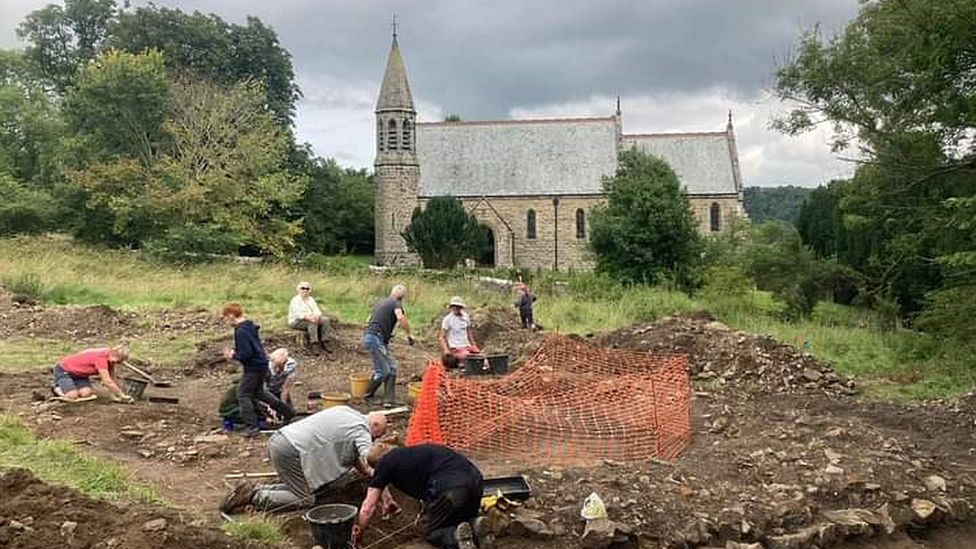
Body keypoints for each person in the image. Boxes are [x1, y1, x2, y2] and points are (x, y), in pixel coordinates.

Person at [220, 406, 388, 513]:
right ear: (374, 425)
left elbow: (354, 456)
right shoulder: (361, 431)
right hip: (291, 451)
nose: (375, 440)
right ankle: (256, 496)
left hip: (281, 440)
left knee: (298, 486)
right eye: (378, 436)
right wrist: (379, 476)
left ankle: (255, 488)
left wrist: (365, 472)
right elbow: (367, 456)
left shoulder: (347, 411)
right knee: (306, 499)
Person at [353, 443, 485, 549]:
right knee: (461, 520)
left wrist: (359, 534)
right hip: (476, 480)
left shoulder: (384, 464)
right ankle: (476, 525)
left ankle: (454, 537)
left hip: (451, 488)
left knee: (434, 533)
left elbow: (368, 507)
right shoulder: (415, 452)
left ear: (377, 465)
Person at [222, 302, 294, 437]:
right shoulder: (249, 326)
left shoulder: (240, 330)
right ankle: (288, 412)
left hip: (253, 367)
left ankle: (252, 427)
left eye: (225, 318)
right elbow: (251, 348)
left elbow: (246, 354)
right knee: (259, 393)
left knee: (243, 394)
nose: (225, 322)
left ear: (231, 315)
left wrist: (233, 355)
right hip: (262, 364)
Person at [362, 284, 415, 406]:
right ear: (402, 296)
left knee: (392, 367)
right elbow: (401, 318)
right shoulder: (396, 303)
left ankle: (389, 398)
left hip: (375, 337)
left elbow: (369, 319)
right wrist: (410, 334)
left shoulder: (380, 302)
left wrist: (385, 333)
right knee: (383, 371)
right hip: (375, 338)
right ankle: (368, 396)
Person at [51, 345, 134, 403]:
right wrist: (122, 395)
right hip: (65, 370)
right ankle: (56, 387)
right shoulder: (101, 358)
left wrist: (114, 395)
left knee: (86, 394)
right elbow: (107, 381)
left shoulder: (110, 359)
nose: (116, 362)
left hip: (80, 375)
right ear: (113, 353)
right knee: (72, 396)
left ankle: (70, 387)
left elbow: (111, 377)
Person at [288, 281, 331, 353]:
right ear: (298, 290)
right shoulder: (295, 300)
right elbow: (297, 314)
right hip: (296, 321)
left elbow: (317, 310)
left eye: (307, 288)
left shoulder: (311, 299)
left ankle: (325, 341)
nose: (305, 290)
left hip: (311, 318)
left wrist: (317, 316)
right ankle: (314, 343)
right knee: (312, 323)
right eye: (303, 288)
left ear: (309, 290)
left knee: (326, 320)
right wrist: (308, 317)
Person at [438, 296, 481, 361]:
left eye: (457, 307)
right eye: (453, 306)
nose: (455, 308)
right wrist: (446, 350)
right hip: (456, 348)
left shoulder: (465, 316)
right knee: (468, 357)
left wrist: (473, 345)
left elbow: (468, 332)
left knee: (481, 357)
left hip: (467, 346)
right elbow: (441, 337)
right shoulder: (448, 319)